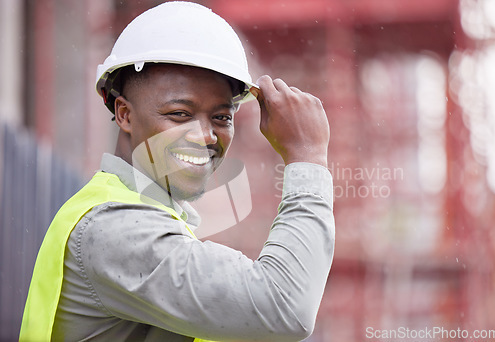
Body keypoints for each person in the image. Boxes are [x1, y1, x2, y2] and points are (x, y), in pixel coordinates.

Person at [20, 2, 335, 341]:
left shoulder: (145, 218)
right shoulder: (117, 230)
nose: (205, 136)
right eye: (180, 114)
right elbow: (283, 309)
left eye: (221, 117)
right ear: (124, 114)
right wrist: (307, 156)